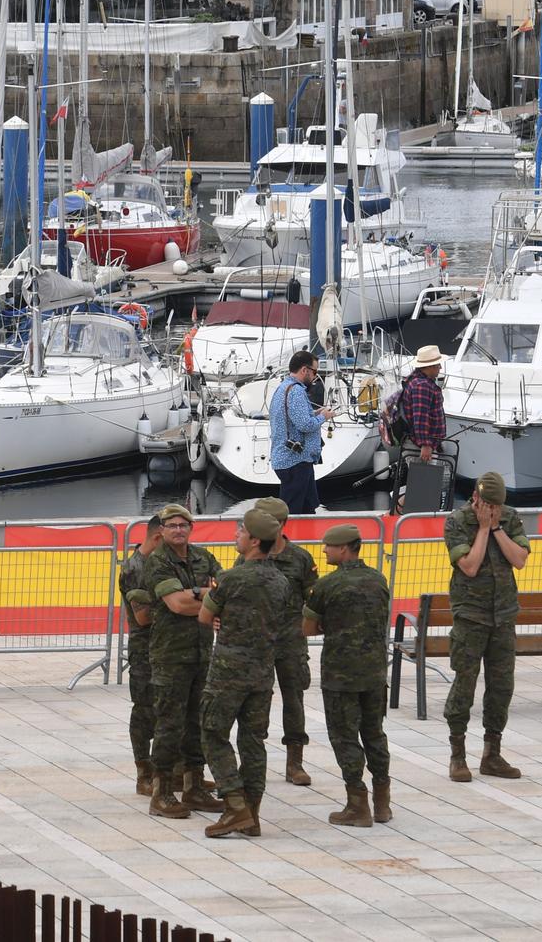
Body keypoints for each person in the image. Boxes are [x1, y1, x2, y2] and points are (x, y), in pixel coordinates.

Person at [197, 508, 296, 838]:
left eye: (240, 532)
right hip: (262, 671)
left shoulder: (232, 578)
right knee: (254, 741)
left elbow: (204, 615)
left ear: (254, 541)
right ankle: (252, 812)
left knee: (212, 732)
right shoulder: (281, 581)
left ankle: (236, 804)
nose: (236, 536)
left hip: (227, 670)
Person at [303, 523, 393, 827]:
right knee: (374, 734)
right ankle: (383, 801)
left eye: (328, 546)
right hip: (374, 671)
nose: (325, 550)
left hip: (341, 674)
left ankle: (357, 803)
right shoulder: (378, 579)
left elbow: (308, 628)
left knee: (344, 737)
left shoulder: (328, 586)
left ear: (343, 549)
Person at [443, 471, 530, 781]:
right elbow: (469, 566)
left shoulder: (509, 518)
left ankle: (492, 753)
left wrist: (495, 528)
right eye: (487, 505)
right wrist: (482, 529)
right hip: (471, 615)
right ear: (476, 498)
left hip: (503, 615)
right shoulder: (457, 522)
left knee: (502, 686)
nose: (493, 510)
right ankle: (458, 754)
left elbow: (519, 559)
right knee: (464, 684)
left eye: (497, 506)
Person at [144, 502, 223, 818]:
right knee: (169, 725)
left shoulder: (204, 557)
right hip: (170, 656)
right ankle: (161, 792)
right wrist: (207, 598)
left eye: (183, 525)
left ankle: (194, 788)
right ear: (161, 530)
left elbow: (223, 590)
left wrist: (199, 594)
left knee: (198, 723)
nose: (178, 530)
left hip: (202, 654)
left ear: (191, 528)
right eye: (172, 525)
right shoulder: (158, 562)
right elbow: (176, 604)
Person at [254, 495, 317, 787]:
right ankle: (255, 760)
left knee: (294, 699)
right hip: (259, 640)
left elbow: (313, 598)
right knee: (258, 700)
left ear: (281, 524)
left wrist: (307, 627)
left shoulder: (300, 558)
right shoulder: (250, 555)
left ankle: (295, 763)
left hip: (291, 640)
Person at [120, 520, 165, 796]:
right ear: (158, 538)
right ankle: (144, 771)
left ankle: (175, 770)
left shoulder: (163, 563)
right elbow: (143, 617)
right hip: (144, 648)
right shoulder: (135, 568)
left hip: (167, 647)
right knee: (144, 710)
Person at [267, 350, 335, 515]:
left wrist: (315, 413)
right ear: (304, 370)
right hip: (295, 462)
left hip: (292, 460)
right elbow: (304, 424)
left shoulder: (283, 388)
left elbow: (294, 418)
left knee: (307, 509)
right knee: (293, 513)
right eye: (314, 371)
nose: (315, 376)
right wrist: (323, 417)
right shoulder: (296, 391)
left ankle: (304, 539)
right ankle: (290, 538)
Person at [394, 346, 448, 465]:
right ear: (429, 366)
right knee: (424, 481)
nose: (440, 367)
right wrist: (425, 444)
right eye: (437, 364)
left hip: (420, 444)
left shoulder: (416, 380)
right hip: (419, 446)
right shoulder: (422, 386)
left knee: (424, 480)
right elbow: (420, 418)